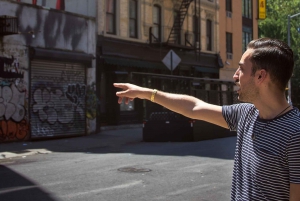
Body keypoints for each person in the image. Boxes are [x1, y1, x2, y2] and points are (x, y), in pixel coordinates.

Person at [113, 38, 300, 201]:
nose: (235, 76)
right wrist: (145, 93)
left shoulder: (295, 133)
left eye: (241, 69)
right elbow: (193, 107)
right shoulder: (246, 114)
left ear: (260, 76)